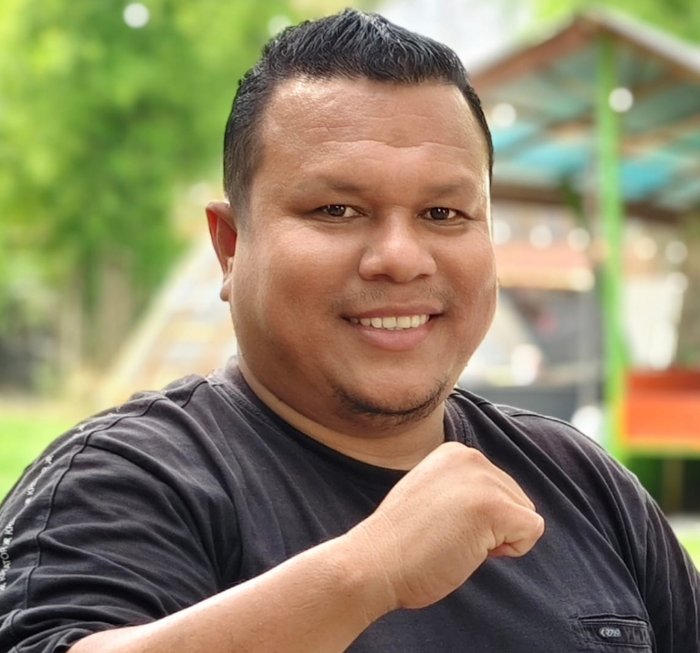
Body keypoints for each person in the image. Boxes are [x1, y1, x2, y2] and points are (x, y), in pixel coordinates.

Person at [0, 8, 698, 652]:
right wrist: (368, 572)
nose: (400, 257)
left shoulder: (584, 486)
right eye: (336, 210)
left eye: (443, 214)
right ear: (231, 247)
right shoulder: (124, 482)